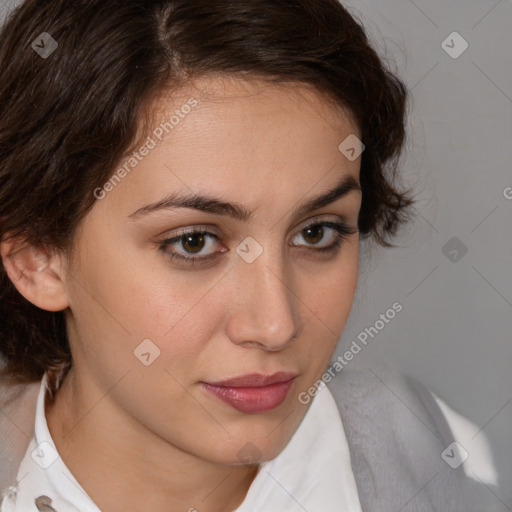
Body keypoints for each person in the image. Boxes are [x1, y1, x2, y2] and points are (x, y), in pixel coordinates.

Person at [0, 1, 506, 511]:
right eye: (193, 242)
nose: (276, 326)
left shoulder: (425, 455)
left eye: (316, 233)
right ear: (36, 257)